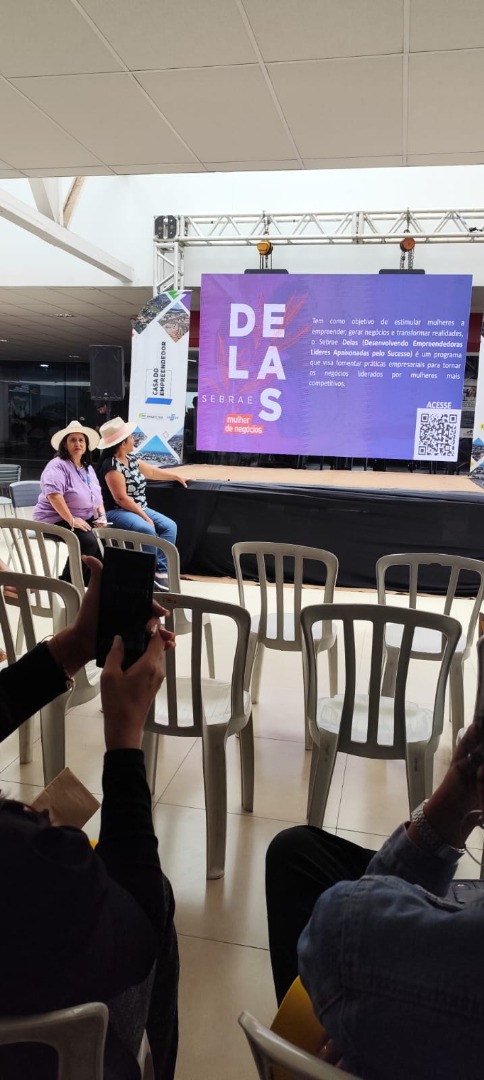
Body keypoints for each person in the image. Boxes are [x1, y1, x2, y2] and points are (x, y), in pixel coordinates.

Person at [0, 556, 178, 1080]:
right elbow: (139, 922)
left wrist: (74, 647)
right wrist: (124, 738)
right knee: (157, 896)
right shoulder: (32, 863)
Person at [266, 682, 484, 1080]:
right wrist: (457, 796)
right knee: (296, 853)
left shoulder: (345, 930)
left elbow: (338, 935)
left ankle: (347, 1031)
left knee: (334, 928)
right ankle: (355, 1024)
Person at [97, 417, 187, 585]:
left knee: (170, 526)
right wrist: (145, 517)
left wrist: (176, 476)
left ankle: (160, 570)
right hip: (117, 511)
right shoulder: (111, 465)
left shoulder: (131, 459)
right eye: (131, 437)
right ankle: (148, 573)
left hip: (138, 507)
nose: (134, 439)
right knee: (146, 529)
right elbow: (121, 499)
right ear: (123, 443)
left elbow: (152, 472)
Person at [33, 420, 107, 584]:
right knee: (88, 541)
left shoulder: (87, 467)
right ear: (65, 445)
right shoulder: (57, 465)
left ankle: (90, 583)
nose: (78, 443)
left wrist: (101, 516)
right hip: (54, 519)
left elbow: (97, 496)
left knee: (105, 540)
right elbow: (54, 495)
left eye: (81, 440)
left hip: (82, 518)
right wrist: (71, 520)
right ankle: (67, 582)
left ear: (86, 445)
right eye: (73, 440)